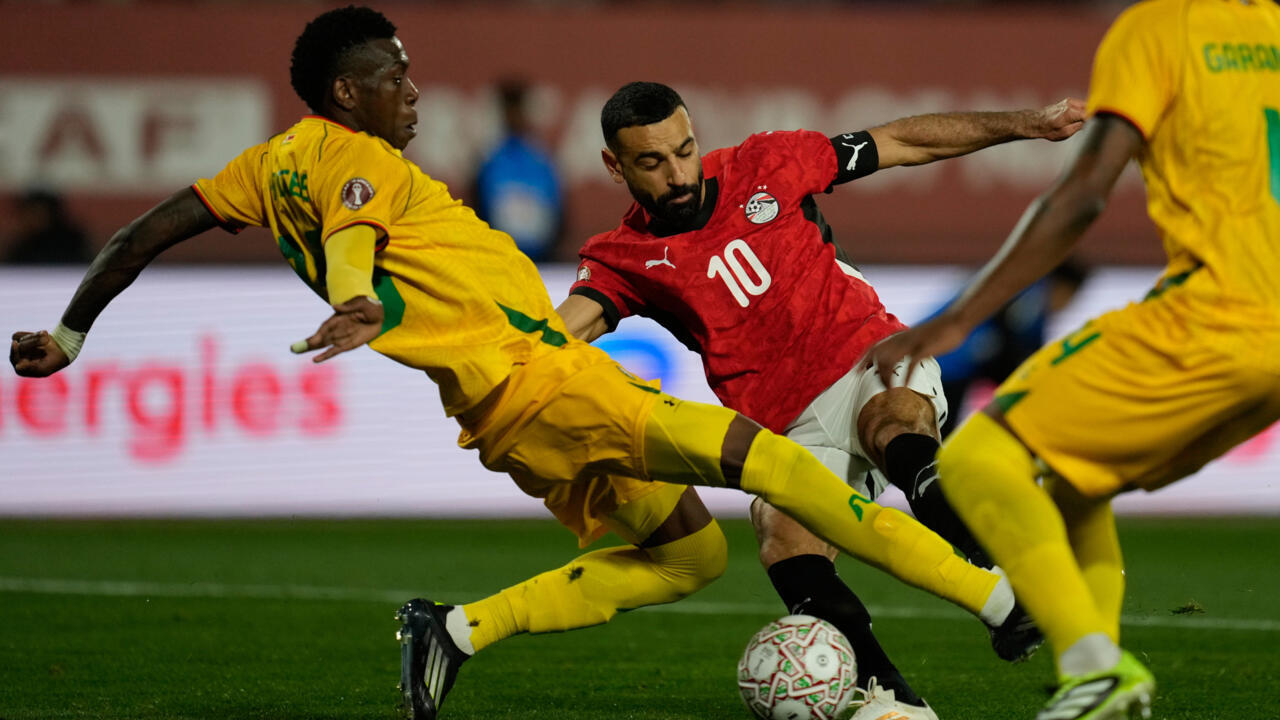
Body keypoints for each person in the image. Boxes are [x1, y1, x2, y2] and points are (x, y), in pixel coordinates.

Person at [8, 7, 1048, 720]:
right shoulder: (357, 160)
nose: (412, 90)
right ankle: (1000, 608)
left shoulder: (258, 167)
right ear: (345, 90)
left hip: (507, 411)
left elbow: (137, 236)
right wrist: (361, 288)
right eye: (393, 74)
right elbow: (359, 234)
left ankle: (453, 632)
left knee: (690, 559)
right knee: (779, 477)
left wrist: (72, 334)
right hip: (544, 379)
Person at [556, 81, 1085, 718]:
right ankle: (892, 700)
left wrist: (1028, 123)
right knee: (783, 540)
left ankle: (1011, 586)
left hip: (867, 358)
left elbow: (900, 140)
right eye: (651, 162)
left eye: (684, 150)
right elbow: (564, 330)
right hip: (784, 426)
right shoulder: (623, 257)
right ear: (615, 165)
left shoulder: (767, 162)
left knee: (896, 426)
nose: (676, 175)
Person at [868, 1, 1280, 718]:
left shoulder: (1158, 27)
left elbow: (1084, 194)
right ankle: (1093, 677)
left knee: (974, 460)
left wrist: (959, 318)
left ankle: (1096, 670)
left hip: (1215, 312)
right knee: (1072, 483)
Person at [932, 258, 1089, 436]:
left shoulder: (1024, 292)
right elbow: (1015, 352)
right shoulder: (1029, 298)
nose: (1067, 305)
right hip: (946, 365)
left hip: (945, 362)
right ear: (1061, 287)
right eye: (1070, 297)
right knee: (938, 434)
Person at [471, 77, 566, 262]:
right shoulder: (489, 162)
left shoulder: (542, 161)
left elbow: (560, 216)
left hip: (542, 262)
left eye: (518, 109)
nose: (514, 116)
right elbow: (478, 213)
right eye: (509, 110)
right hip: (500, 260)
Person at [3, 189, 93, 265]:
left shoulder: (72, 242)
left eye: (38, 212)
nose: (32, 218)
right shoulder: (23, 245)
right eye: (30, 213)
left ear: (51, 214)